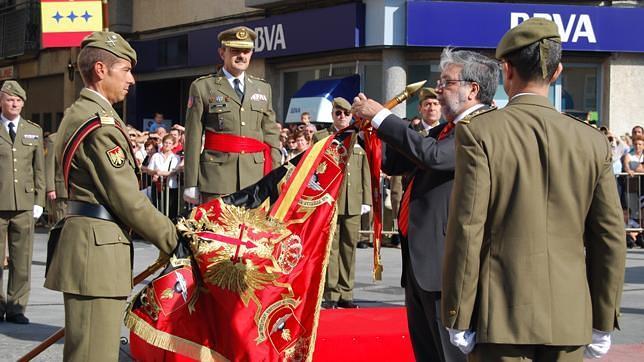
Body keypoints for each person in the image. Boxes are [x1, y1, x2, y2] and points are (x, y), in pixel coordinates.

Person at [440, 18, 626, 361]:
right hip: (570, 317)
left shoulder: (480, 132)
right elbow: (610, 237)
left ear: (506, 70)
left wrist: (457, 314)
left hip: (500, 316)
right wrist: (603, 319)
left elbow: (468, 228)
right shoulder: (591, 140)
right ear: (557, 73)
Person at [352, 48, 498, 362]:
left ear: (472, 89)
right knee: (428, 353)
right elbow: (394, 162)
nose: (439, 90)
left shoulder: (480, 127)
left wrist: (381, 116)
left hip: (449, 266)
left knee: (451, 356)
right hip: (422, 264)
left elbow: (431, 155)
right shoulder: (445, 130)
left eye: (447, 82)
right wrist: (369, 131)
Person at [43, 31, 178, 361]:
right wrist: (175, 239)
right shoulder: (98, 123)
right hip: (96, 254)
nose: (131, 79)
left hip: (94, 250)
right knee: (93, 355)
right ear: (101, 70)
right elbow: (127, 198)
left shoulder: (86, 113)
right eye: (125, 70)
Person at [183, 26, 280, 203]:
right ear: (222, 53)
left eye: (246, 51)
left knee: (252, 231)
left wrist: (276, 174)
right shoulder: (203, 87)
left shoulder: (263, 88)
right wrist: (191, 182)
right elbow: (193, 137)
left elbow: (271, 134)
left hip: (255, 178)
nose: (241, 56)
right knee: (217, 230)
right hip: (217, 179)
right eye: (235, 50)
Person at [314, 97, 371, 309]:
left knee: (349, 248)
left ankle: (347, 292)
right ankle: (331, 293)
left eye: (346, 114)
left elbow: (365, 169)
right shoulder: (321, 137)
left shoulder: (359, 137)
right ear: (332, 114)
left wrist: (366, 199)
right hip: (331, 200)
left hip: (354, 200)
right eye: (338, 113)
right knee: (331, 248)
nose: (342, 117)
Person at [0, 80, 45, 324]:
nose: (14, 103)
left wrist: (40, 200)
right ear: (1, 102)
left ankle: (16, 308)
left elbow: (39, 168)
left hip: (25, 204)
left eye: (18, 100)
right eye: (9, 99)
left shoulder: (32, 130)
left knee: (22, 260)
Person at [148, 134, 182, 220]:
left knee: (171, 210)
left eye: (170, 143)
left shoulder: (176, 157)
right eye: (165, 142)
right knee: (157, 208)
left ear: (173, 145)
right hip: (158, 186)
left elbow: (175, 171)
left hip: (171, 187)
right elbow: (149, 170)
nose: (167, 145)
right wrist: (155, 172)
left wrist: (161, 173)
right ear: (163, 143)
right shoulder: (156, 156)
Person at [45, 132, 68, 224]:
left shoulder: (83, 134)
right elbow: (49, 165)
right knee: (61, 222)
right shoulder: (54, 139)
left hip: (81, 189)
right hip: (62, 190)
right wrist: (50, 188)